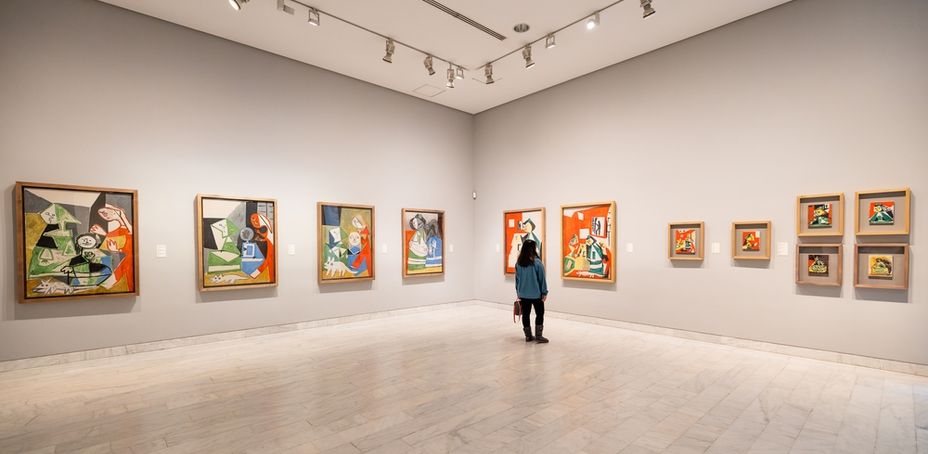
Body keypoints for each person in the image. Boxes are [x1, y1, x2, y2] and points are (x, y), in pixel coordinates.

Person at [515, 239, 549, 343]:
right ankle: (539, 336)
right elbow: (542, 279)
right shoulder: (537, 263)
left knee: (525, 314)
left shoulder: (519, 263)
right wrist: (544, 292)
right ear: (534, 249)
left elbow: (517, 280)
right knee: (539, 313)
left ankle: (528, 336)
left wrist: (518, 292)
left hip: (523, 294)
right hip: (536, 294)